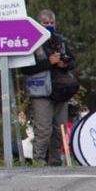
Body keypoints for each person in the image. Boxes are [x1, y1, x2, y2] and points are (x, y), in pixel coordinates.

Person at [23, 9, 77, 166]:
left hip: (61, 90)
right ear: (38, 24)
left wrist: (64, 63)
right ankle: (38, 161)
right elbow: (25, 69)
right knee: (43, 129)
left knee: (60, 129)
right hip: (40, 91)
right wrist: (49, 62)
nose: (49, 26)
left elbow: (74, 62)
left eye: (51, 23)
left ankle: (55, 161)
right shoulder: (31, 42)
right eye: (45, 23)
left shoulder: (61, 41)